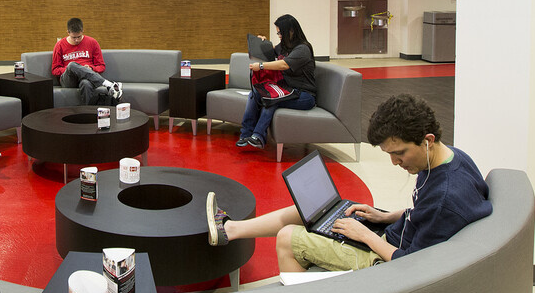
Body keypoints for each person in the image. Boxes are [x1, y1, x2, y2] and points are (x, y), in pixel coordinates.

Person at [208, 93, 492, 273]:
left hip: (385, 260)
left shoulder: (445, 197)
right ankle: (231, 230)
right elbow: (425, 216)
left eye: (399, 153)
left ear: (427, 141)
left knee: (287, 239)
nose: (395, 162)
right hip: (390, 233)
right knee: (312, 211)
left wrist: (366, 235)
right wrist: (385, 215)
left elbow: (411, 265)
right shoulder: (452, 159)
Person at [237, 14, 317, 149]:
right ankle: (245, 135)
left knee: (272, 100)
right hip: (288, 90)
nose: (279, 35)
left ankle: (258, 136)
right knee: (255, 93)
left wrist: (261, 66)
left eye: (280, 32)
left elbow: (283, 65)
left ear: (291, 31)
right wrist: (262, 42)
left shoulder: (303, 49)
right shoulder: (285, 46)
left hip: (304, 95)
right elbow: (270, 51)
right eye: (277, 32)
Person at [51, 17, 122, 105]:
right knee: (72, 65)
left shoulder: (92, 42)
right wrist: (75, 70)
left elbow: (101, 66)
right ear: (68, 32)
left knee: (86, 84)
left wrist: (91, 69)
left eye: (79, 37)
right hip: (69, 80)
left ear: (83, 31)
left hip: (86, 78)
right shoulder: (60, 45)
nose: (76, 40)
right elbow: (55, 70)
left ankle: (89, 113)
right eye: (73, 37)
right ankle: (109, 85)